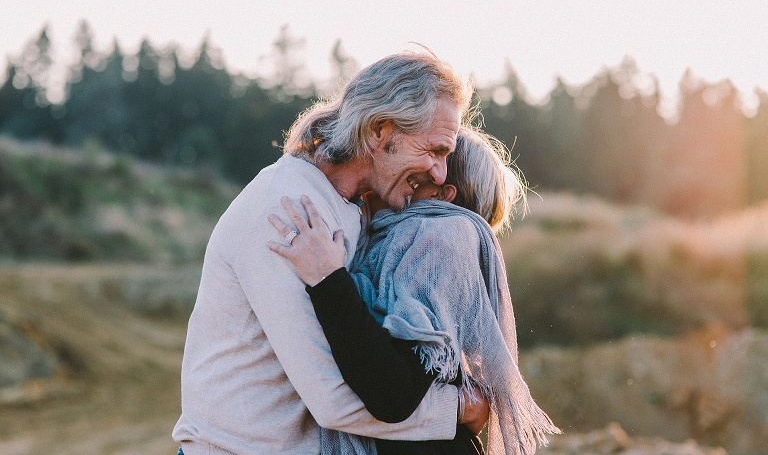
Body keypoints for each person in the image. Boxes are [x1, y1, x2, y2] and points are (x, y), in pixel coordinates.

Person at [173, 51, 489, 455]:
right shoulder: (288, 211)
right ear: (379, 131)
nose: (441, 174)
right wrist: (457, 407)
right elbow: (334, 400)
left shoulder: (355, 205)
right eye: (434, 151)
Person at [268, 126, 561, 454]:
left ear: (441, 194)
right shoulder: (390, 239)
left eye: (435, 157)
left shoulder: (439, 241)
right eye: (426, 153)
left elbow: (393, 394)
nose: (426, 163)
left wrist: (328, 278)